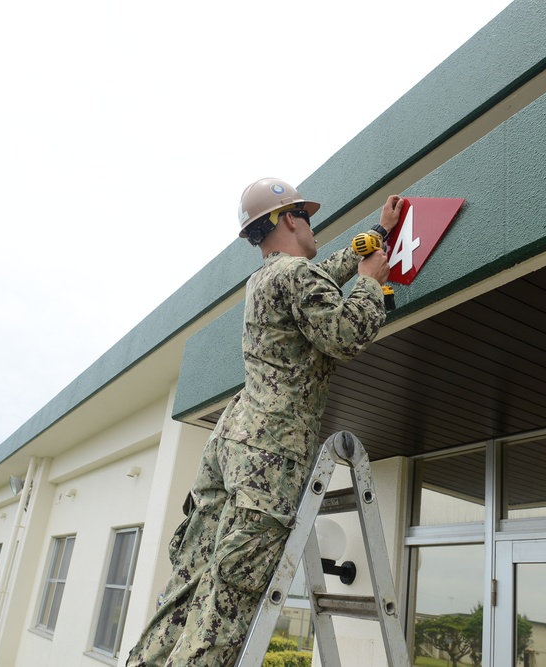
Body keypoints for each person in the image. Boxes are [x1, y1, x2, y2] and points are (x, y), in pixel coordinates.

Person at [125, 177, 403, 667]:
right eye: (308, 217)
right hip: (270, 456)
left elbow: (317, 275)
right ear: (291, 219)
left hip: (233, 442)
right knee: (228, 602)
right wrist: (367, 281)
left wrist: (376, 235)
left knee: (190, 582)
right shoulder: (298, 277)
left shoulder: (268, 278)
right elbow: (345, 334)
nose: (314, 229)